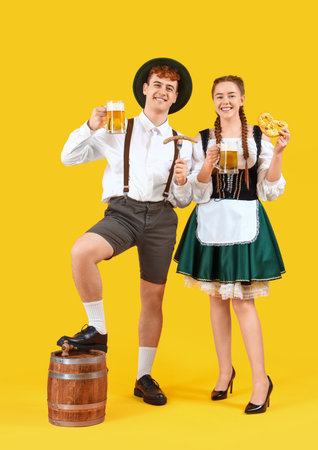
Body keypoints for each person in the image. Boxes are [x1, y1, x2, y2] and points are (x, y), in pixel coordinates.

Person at [57, 58, 202, 406]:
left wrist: (183, 181)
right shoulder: (117, 127)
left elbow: (184, 200)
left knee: (153, 298)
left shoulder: (185, 143)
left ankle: (143, 377)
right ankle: (98, 330)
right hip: (123, 213)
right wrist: (90, 126)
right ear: (144, 89)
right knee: (82, 251)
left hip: (163, 219)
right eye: (157, 85)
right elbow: (69, 157)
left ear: (175, 97)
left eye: (170, 88)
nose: (162, 92)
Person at [174, 75, 290, 414]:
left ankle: (260, 381)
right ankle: (225, 371)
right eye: (219, 96)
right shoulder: (200, 140)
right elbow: (194, 192)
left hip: (244, 222)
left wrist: (279, 152)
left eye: (231, 95)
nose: (225, 100)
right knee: (215, 299)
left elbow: (269, 187)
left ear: (241, 100)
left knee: (242, 302)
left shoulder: (256, 136)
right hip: (210, 221)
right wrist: (206, 166)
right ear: (213, 101)